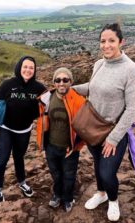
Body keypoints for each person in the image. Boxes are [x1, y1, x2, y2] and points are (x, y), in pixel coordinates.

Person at [73, 23, 135, 221]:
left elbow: (133, 109)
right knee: (97, 164)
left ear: (121, 42)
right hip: (92, 127)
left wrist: (113, 139)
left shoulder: (131, 69)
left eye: (111, 41)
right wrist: (69, 88)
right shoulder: (99, 64)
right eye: (103, 41)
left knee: (107, 171)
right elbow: (93, 87)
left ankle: (113, 200)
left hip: (114, 132)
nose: (106, 45)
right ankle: (101, 194)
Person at [0, 56, 46, 203]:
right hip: (5, 129)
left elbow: (50, 104)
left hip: (24, 131)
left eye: (31, 68)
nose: (28, 70)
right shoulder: (8, 85)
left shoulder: (39, 88)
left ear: (34, 70)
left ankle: (22, 183)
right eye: (25, 67)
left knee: (19, 157)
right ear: (19, 68)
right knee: (2, 159)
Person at [36, 67, 85, 212]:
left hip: (69, 149)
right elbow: (41, 122)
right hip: (51, 147)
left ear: (71, 82)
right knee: (56, 174)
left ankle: (68, 198)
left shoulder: (78, 100)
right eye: (58, 80)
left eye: (65, 80)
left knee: (69, 176)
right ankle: (57, 195)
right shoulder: (46, 99)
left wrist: (76, 147)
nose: (61, 83)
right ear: (54, 83)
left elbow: (84, 127)